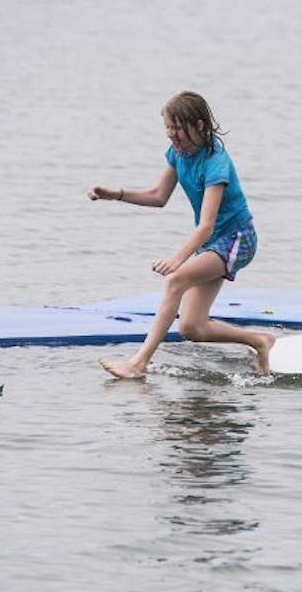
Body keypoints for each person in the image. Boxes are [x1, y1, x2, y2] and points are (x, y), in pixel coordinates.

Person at [88, 91, 274, 379]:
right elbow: (158, 195)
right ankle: (259, 341)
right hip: (214, 242)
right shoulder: (178, 153)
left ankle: (138, 363)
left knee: (175, 281)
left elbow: (207, 225)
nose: (171, 135)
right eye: (168, 127)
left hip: (238, 238)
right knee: (192, 328)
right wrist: (117, 195)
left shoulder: (216, 163)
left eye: (177, 128)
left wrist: (178, 260)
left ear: (199, 126)